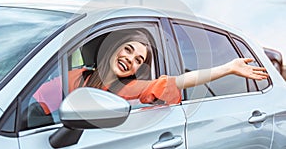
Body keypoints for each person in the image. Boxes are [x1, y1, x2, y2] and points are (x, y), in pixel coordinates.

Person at [34, 29, 268, 114]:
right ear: (114, 47)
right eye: (128, 49)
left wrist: (227, 68)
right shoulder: (78, 76)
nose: (130, 61)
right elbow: (35, 103)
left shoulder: (130, 88)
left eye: (138, 60)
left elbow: (180, 81)